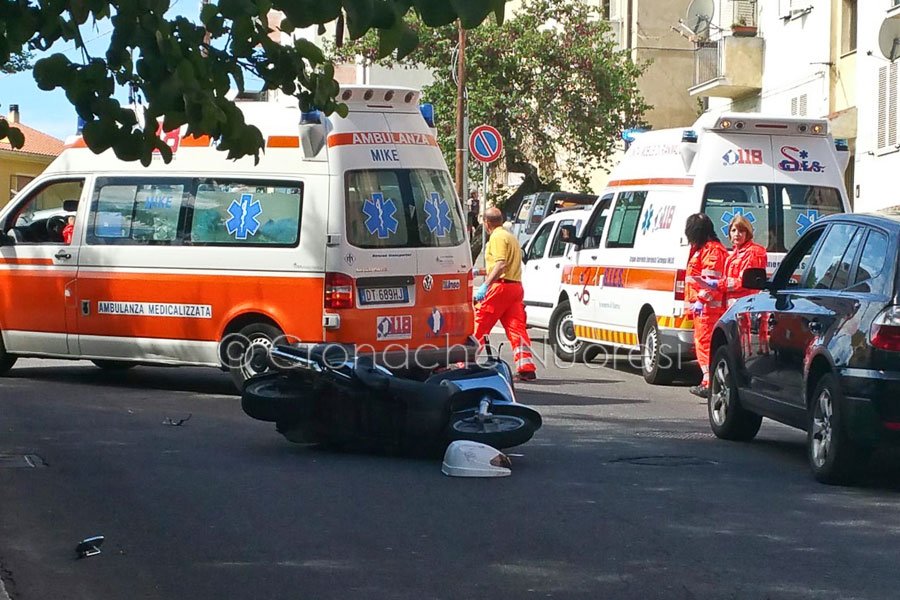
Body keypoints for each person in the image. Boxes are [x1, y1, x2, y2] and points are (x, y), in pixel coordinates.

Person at [473, 207, 537, 381]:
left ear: (486, 223)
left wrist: (485, 285)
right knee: (516, 328)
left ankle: (464, 363)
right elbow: (502, 265)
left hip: (499, 289)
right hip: (515, 288)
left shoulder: (497, 237)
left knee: (480, 324)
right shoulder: (510, 237)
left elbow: (500, 265)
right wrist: (478, 271)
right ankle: (526, 368)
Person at [684, 213, 728, 398]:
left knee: (705, 344)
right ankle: (708, 380)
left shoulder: (712, 251)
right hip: (704, 308)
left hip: (709, 309)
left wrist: (701, 301)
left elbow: (711, 281)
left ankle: (709, 382)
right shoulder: (704, 249)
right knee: (702, 344)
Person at [720, 214, 768, 358]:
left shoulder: (753, 252)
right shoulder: (733, 254)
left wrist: (719, 284)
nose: (737, 234)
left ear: (748, 233)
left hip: (746, 305)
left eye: (741, 231)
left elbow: (745, 281)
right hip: (734, 306)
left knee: (743, 354)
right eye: (734, 230)